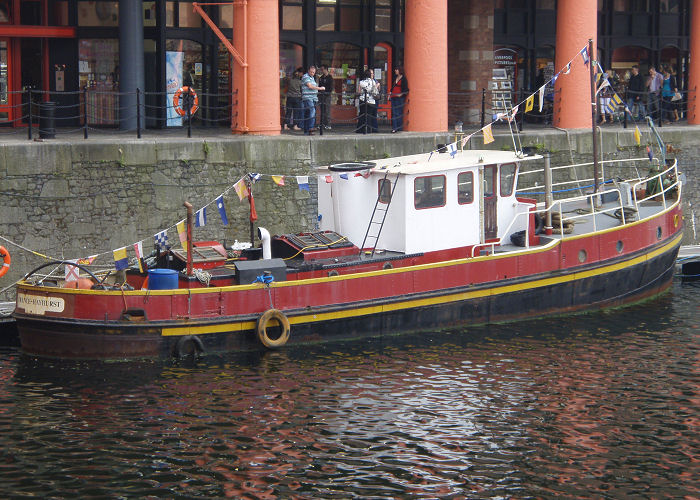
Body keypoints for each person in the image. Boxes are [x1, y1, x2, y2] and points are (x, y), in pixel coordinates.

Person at [301, 65, 325, 135]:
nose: (312, 73)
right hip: (308, 97)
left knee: (308, 114)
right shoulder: (306, 77)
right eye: (311, 72)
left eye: (313, 72)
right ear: (308, 71)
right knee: (312, 111)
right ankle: (311, 128)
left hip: (313, 98)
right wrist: (320, 88)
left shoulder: (312, 78)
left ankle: (306, 131)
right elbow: (310, 86)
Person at [356, 69, 380, 133]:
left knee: (362, 115)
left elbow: (359, 92)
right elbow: (375, 91)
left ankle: (360, 129)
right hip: (371, 101)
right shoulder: (373, 82)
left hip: (363, 100)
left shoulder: (361, 82)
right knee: (369, 117)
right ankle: (368, 130)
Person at [389, 66, 409, 133]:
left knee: (398, 113)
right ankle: (394, 128)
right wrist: (390, 93)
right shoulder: (395, 78)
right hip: (393, 97)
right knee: (394, 113)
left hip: (399, 98)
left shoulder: (403, 79)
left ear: (400, 70)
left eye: (396, 69)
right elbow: (393, 87)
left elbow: (406, 89)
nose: (395, 71)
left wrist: (401, 94)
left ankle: (398, 127)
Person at [317, 65, 334, 130]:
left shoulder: (330, 77)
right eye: (321, 69)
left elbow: (331, 87)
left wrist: (327, 92)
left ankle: (328, 124)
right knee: (322, 110)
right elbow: (319, 86)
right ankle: (322, 124)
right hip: (321, 95)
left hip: (327, 95)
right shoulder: (321, 77)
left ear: (326, 69)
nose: (322, 71)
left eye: (322, 69)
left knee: (327, 110)